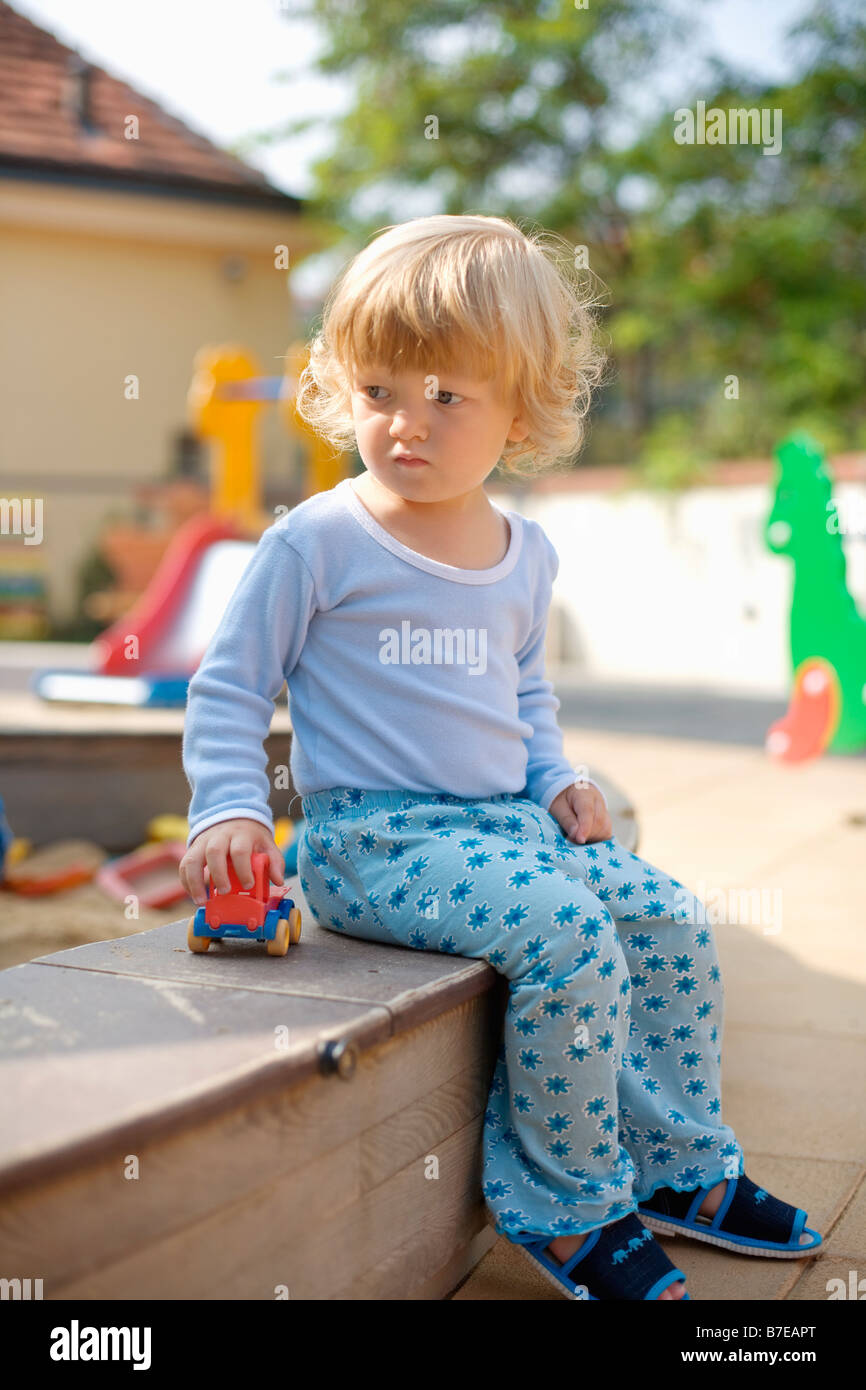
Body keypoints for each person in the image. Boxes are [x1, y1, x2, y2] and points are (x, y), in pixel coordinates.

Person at [179, 214, 822, 1300]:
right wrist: (228, 808)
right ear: (345, 388)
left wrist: (555, 776)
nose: (405, 425)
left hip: (504, 831)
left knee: (665, 914)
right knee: (567, 933)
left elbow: (522, 692)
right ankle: (568, 1206)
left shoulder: (523, 553)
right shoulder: (318, 541)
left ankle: (676, 1167)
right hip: (373, 841)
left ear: (518, 410)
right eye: (379, 391)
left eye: (445, 395)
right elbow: (229, 685)